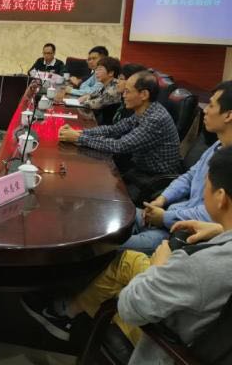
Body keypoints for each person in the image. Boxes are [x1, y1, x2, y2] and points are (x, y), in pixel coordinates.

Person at [21, 145, 232, 365]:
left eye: (207, 183)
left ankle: (68, 312)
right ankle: (69, 310)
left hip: (169, 350)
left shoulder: (201, 266)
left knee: (123, 262)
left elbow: (130, 308)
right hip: (200, 318)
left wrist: (158, 267)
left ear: (220, 198)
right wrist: (219, 229)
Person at [122, 81, 232, 254]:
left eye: (211, 105)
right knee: (116, 214)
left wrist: (165, 217)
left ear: (228, 115)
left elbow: (213, 214)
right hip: (170, 213)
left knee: (108, 244)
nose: (205, 110)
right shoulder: (217, 145)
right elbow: (189, 176)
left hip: (183, 235)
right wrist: (162, 199)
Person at [59, 71, 182, 177]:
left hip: (152, 177)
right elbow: (114, 129)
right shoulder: (146, 109)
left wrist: (79, 138)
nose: (123, 95)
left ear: (144, 94)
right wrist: (81, 132)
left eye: (127, 91)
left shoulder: (155, 119)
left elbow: (120, 146)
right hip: (138, 167)